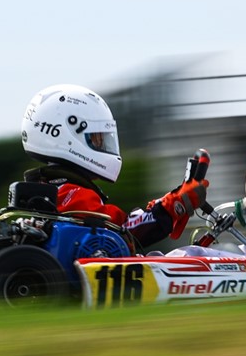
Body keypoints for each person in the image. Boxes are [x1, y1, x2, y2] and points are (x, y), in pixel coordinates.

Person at [19, 83, 208, 249]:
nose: (102, 145)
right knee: (196, 256)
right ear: (66, 135)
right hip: (90, 272)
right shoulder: (68, 193)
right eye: (96, 138)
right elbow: (125, 230)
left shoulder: (54, 190)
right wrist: (175, 206)